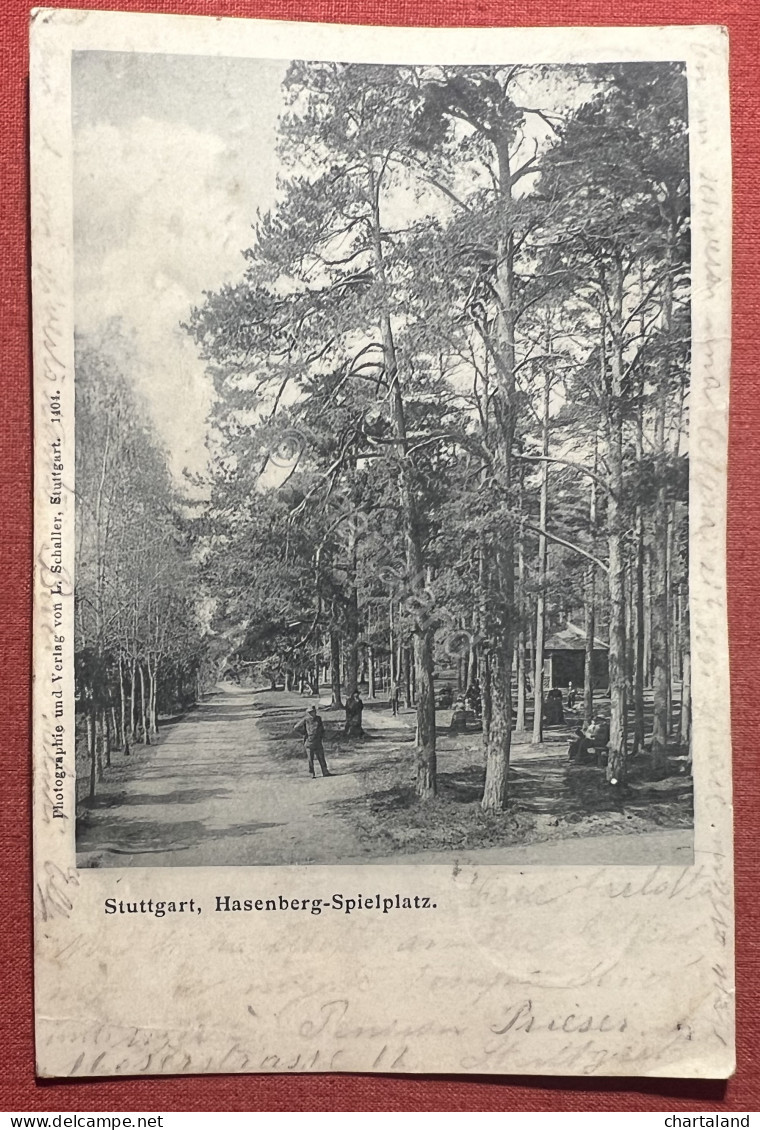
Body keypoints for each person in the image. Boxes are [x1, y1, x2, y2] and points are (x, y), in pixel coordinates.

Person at [294, 704, 331, 778]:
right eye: (311, 712)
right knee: (310, 759)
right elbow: (296, 727)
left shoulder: (318, 719)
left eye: (314, 712)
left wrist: (322, 735)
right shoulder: (306, 720)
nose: (313, 713)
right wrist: (304, 733)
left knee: (321, 757)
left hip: (318, 741)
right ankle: (311, 773)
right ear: (308, 713)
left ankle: (325, 771)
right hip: (309, 742)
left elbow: (322, 728)